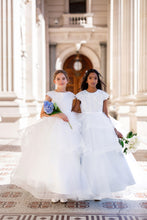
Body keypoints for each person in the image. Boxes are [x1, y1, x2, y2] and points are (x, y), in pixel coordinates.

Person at [11, 70, 90, 203]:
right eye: (58, 79)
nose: (61, 81)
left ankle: (64, 190)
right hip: (54, 128)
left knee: (68, 158)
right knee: (54, 158)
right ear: (54, 81)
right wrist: (58, 114)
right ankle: (54, 190)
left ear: (67, 80)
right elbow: (43, 113)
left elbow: (76, 110)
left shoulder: (72, 95)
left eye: (63, 78)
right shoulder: (50, 94)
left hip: (69, 127)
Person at [74, 69, 136, 200]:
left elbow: (106, 114)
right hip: (85, 127)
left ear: (98, 80)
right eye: (90, 78)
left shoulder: (102, 95)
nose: (93, 80)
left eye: (95, 78)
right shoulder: (80, 95)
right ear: (86, 80)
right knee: (87, 156)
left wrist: (115, 131)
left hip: (101, 127)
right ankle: (87, 188)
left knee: (101, 157)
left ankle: (99, 190)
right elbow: (75, 112)